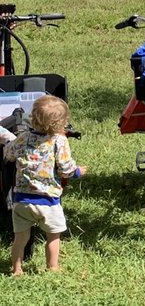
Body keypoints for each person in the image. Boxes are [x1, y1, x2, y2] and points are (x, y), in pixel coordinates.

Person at [4, 96, 86, 275]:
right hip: (48, 201)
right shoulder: (59, 140)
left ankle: (16, 269)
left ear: (33, 118)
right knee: (53, 236)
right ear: (61, 123)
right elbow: (65, 168)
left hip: (21, 200)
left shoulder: (23, 137)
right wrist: (78, 171)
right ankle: (52, 267)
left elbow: (9, 153)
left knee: (20, 238)